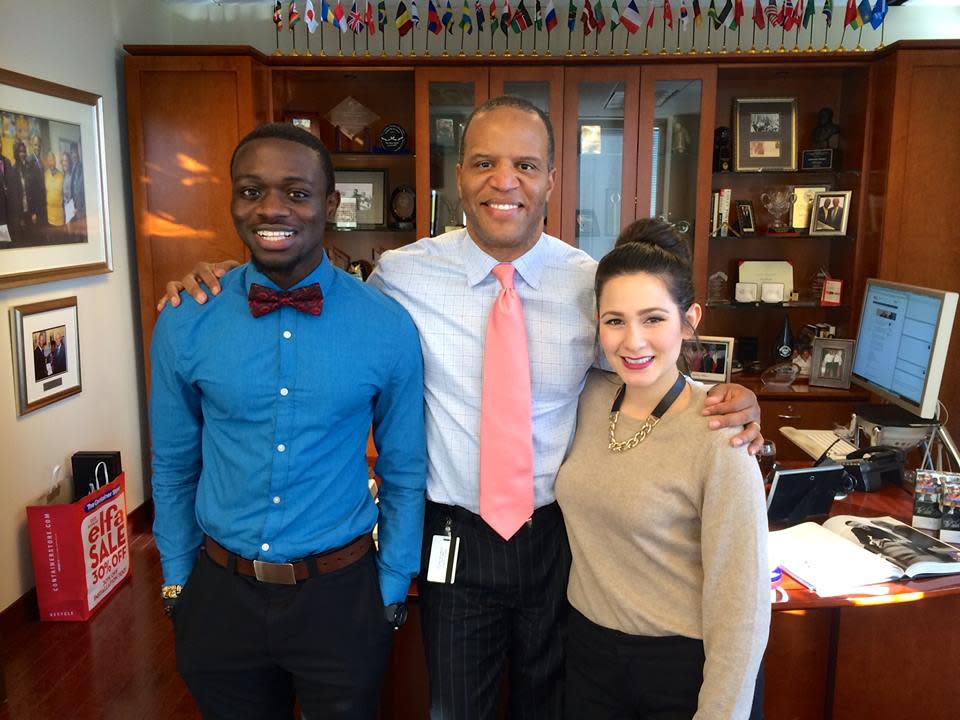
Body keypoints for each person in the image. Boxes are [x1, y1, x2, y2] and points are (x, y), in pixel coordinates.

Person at [159, 97, 763, 718]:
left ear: (552, 180)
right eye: (484, 162)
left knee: (551, 706)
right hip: (451, 533)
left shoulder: (588, 282)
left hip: (558, 535)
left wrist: (727, 398)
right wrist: (226, 281)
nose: (505, 181)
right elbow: (319, 308)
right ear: (459, 178)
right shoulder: (401, 274)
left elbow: (640, 363)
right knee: (453, 706)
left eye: (526, 165)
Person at [149, 122, 426, 720]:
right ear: (232, 201)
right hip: (218, 595)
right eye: (251, 191)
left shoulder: (386, 326)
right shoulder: (184, 320)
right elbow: (173, 465)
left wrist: (390, 587)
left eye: (296, 193)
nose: (271, 208)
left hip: (342, 598)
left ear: (329, 205)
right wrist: (177, 581)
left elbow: (405, 470)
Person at [555, 219, 770, 719]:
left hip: (678, 669)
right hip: (587, 657)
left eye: (653, 319)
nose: (633, 341)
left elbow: (743, 602)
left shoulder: (721, 430)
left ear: (689, 319)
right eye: (615, 321)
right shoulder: (585, 397)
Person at [44, 152, 65, 226]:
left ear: (55, 161)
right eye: (49, 160)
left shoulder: (62, 175)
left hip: (59, 215)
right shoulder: (45, 175)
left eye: (52, 160)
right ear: (47, 162)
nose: (51, 163)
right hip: (49, 215)